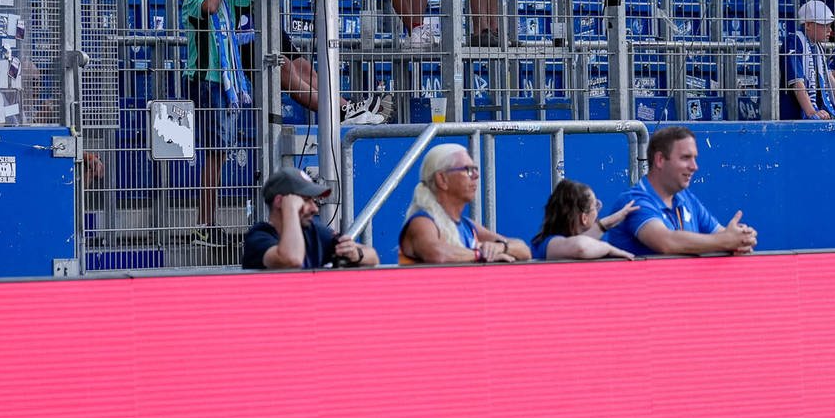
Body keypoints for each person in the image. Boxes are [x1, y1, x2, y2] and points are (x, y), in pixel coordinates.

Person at [177, 0, 254, 247]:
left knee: (218, 154)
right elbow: (209, 7)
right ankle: (204, 224)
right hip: (204, 81)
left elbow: (255, 2)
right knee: (214, 152)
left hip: (224, 83)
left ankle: (207, 222)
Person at [604, 126, 758, 256]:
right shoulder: (634, 201)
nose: (694, 166)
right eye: (685, 158)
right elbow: (666, 242)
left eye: (695, 158)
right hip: (643, 290)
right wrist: (726, 241)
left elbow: (721, 235)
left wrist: (741, 239)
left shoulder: (686, 198)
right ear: (660, 160)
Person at [398, 142, 531, 263]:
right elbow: (437, 254)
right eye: (467, 170)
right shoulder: (422, 222)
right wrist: (480, 255)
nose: (476, 176)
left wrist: (500, 247)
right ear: (442, 179)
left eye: (475, 169)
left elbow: (524, 250)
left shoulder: (468, 225)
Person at [241, 167, 378, 269]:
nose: (315, 209)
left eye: (314, 201)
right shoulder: (259, 237)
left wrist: (356, 254)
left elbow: (373, 256)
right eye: (306, 200)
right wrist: (291, 209)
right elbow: (291, 259)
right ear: (280, 202)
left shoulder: (314, 232)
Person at [529, 179, 639, 260]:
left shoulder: (558, 242)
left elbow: (581, 240)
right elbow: (580, 247)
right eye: (595, 206)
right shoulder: (550, 244)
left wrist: (608, 222)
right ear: (584, 218)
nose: (598, 211)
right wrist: (610, 249)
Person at [783, 0, 835, 119]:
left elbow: (830, 80)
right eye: (825, 25)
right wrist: (811, 112)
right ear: (808, 25)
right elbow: (797, 82)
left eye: (830, 25)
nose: (830, 30)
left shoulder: (817, 46)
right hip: (793, 117)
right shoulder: (794, 42)